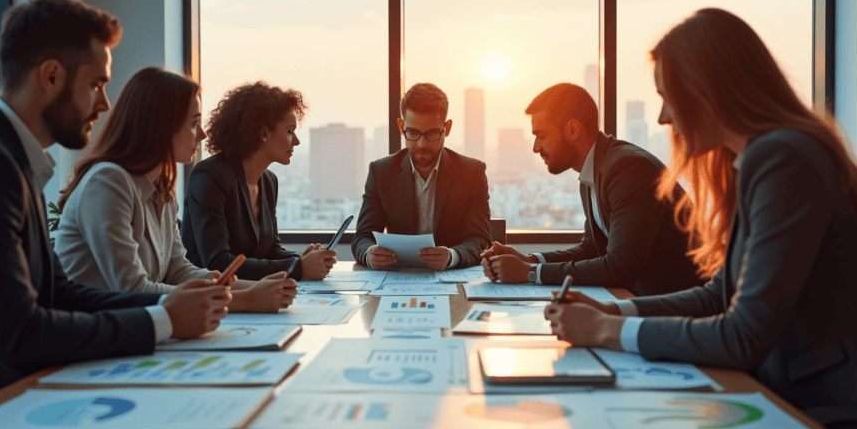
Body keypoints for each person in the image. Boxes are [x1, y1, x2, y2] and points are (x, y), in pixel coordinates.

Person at [0, 0, 231, 417]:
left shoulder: (8, 157)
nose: (105, 104)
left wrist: (167, 307)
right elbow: (20, 332)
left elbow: (58, 293)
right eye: (97, 84)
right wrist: (164, 321)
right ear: (52, 76)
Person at [546, 8, 857, 409]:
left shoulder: (782, 158)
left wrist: (609, 329)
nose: (662, 117)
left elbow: (742, 334)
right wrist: (611, 310)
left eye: (666, 97)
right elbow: (720, 296)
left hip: (836, 408)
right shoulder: (762, 158)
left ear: (705, 90)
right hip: (796, 390)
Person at [55, 67, 297, 312]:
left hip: (132, 327)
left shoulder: (162, 190)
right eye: (194, 124)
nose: (202, 134)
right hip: (93, 333)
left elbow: (179, 271)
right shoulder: (108, 182)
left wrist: (252, 287)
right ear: (162, 126)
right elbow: (132, 288)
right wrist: (248, 299)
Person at [481, 83, 701, 296]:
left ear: (573, 129)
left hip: (680, 306)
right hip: (642, 297)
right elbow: (593, 249)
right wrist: (530, 260)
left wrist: (529, 273)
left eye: (542, 135)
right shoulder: (594, 170)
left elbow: (619, 268)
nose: (536, 147)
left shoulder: (628, 169)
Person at [181, 81, 337, 281]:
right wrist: (297, 267)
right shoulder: (210, 176)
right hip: (208, 297)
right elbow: (217, 262)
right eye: (290, 131)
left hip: (252, 294)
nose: (296, 141)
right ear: (263, 133)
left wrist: (305, 259)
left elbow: (270, 250)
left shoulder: (269, 182)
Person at [352, 82, 491, 270]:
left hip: (451, 279)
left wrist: (452, 256)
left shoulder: (471, 172)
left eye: (432, 133)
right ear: (401, 126)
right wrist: (369, 254)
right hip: (398, 277)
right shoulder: (381, 172)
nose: (421, 144)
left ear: (447, 128)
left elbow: (480, 239)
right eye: (413, 133)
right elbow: (362, 237)